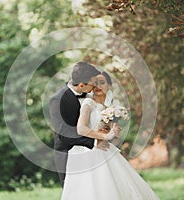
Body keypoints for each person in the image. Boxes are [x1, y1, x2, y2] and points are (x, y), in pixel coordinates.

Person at [61, 71, 160, 200]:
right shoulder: (88, 103)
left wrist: (112, 132)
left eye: (102, 82)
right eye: (95, 83)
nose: (98, 86)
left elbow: (104, 131)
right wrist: (105, 137)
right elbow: (81, 128)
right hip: (87, 150)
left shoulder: (109, 107)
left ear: (109, 85)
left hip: (104, 148)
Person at [49, 61, 119, 187]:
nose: (95, 86)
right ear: (81, 85)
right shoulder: (57, 100)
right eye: (93, 84)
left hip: (95, 151)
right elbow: (64, 134)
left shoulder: (90, 95)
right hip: (69, 152)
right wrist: (94, 142)